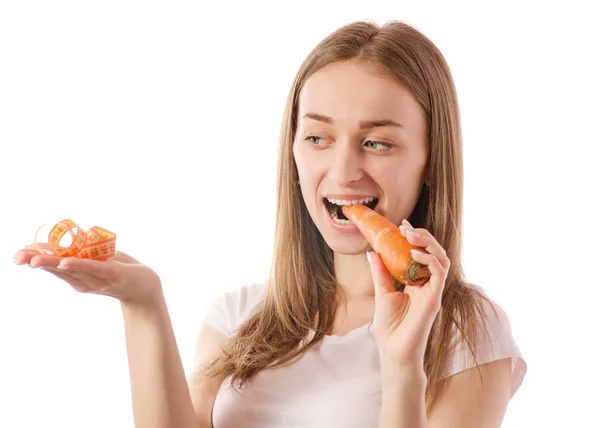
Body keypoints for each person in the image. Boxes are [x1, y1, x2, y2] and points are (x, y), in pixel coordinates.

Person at [13, 19, 527, 428]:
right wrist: (142, 302)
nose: (344, 172)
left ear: (430, 159)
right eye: (318, 138)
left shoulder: (467, 330)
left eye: (377, 142)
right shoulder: (239, 317)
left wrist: (400, 365)